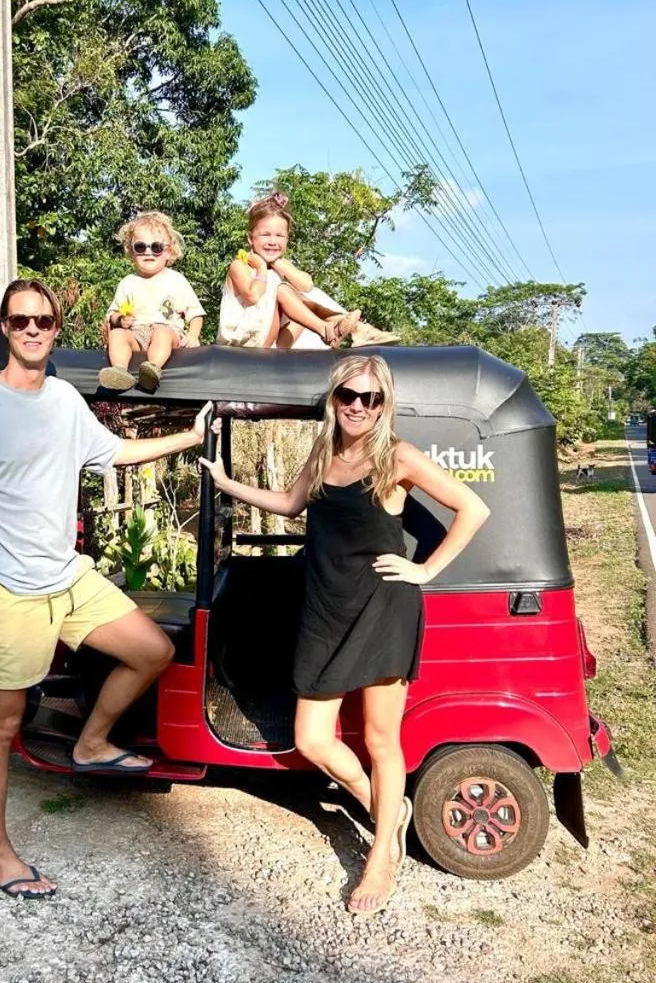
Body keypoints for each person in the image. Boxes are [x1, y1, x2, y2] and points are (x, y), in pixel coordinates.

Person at [0, 277, 215, 900]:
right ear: (4, 328)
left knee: (152, 650)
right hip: (5, 589)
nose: (32, 329)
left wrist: (191, 439)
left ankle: (91, 742)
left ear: (57, 329)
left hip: (67, 577)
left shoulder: (62, 399)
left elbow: (113, 454)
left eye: (43, 321)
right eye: (19, 320)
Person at [200, 354, 489, 914]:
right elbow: (288, 503)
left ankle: (381, 853)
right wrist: (227, 483)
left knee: (383, 741)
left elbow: (471, 509)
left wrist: (425, 570)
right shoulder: (323, 451)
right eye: (348, 396)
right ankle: (385, 808)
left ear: (384, 405)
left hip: (382, 608)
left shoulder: (397, 457)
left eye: (370, 398)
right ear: (334, 399)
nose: (358, 406)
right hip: (325, 609)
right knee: (311, 739)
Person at [217, 192, 400, 349]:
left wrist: (280, 265)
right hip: (244, 342)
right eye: (266, 235)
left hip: (273, 342)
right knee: (281, 289)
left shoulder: (279, 267)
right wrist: (261, 267)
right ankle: (327, 330)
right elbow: (252, 296)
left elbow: (307, 286)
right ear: (250, 239)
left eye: (280, 236)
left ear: (288, 240)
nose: (273, 241)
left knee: (307, 294)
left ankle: (357, 329)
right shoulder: (239, 266)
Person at [99, 211, 206, 394]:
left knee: (161, 332)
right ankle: (119, 371)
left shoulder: (176, 280)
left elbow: (195, 313)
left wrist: (193, 335)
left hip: (168, 330)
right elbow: (113, 314)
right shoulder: (128, 282)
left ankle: (152, 369)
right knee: (117, 334)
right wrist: (120, 321)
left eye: (156, 247)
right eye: (140, 247)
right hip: (137, 333)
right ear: (131, 252)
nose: (148, 252)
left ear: (169, 252)